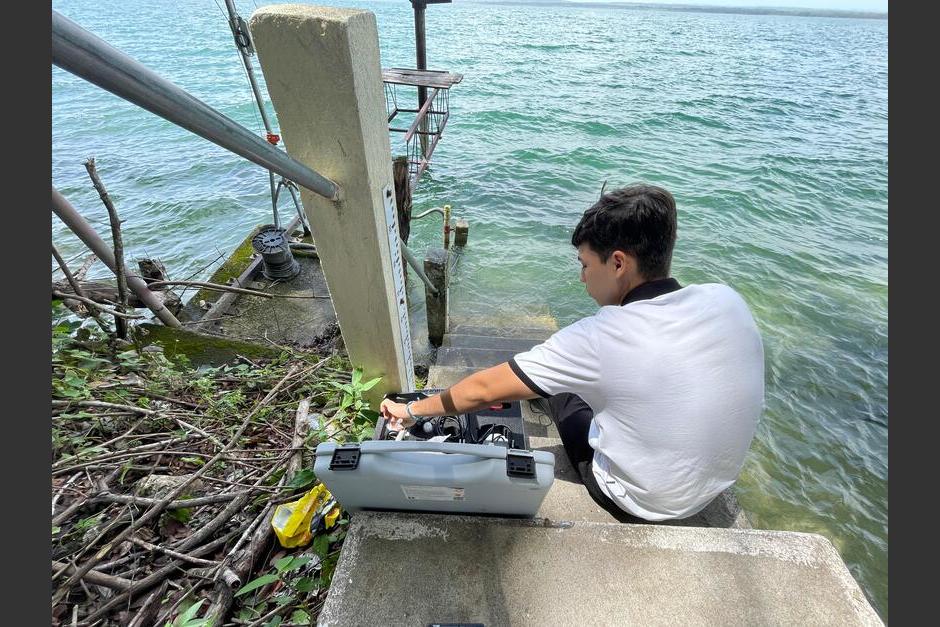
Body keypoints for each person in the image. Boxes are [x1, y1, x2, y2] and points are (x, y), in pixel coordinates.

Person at [380, 184, 764, 522]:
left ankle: (543, 391)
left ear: (618, 263)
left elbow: (482, 390)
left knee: (562, 391)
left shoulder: (600, 336)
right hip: (709, 490)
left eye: (585, 265)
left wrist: (411, 410)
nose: (582, 278)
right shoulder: (727, 300)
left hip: (639, 501)